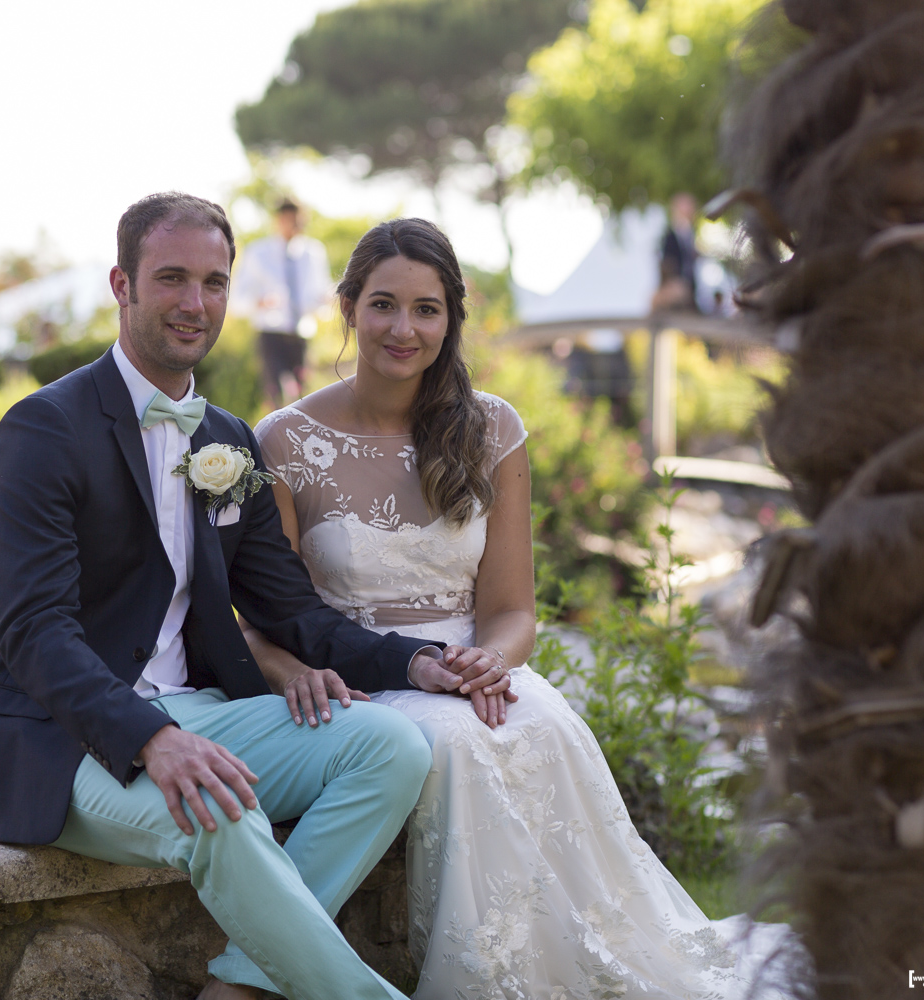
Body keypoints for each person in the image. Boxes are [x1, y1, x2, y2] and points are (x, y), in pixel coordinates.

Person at [0, 193, 504, 1000]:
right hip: (60, 742)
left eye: (213, 283)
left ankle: (239, 986)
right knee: (221, 807)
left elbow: (293, 612)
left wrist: (418, 662)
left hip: (199, 711)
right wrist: (151, 739)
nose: (194, 303)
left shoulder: (226, 440)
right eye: (171, 278)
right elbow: (35, 633)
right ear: (122, 284)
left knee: (392, 748)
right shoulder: (42, 430)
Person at [250, 218, 789, 1000]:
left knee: (548, 726)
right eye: (383, 304)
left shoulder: (491, 428)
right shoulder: (283, 440)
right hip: (365, 674)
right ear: (348, 308)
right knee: (458, 746)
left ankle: (582, 959)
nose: (404, 329)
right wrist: (292, 671)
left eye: (427, 309)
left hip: (477, 666)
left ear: (451, 319)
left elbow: (512, 610)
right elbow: (267, 614)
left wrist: (490, 661)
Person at [233, 198, 332, 408]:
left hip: (302, 334)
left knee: (303, 398)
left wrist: (326, 300)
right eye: (290, 221)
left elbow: (321, 294)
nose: (295, 226)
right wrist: (259, 302)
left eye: (299, 221)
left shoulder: (314, 253)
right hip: (271, 334)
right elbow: (237, 299)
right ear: (278, 220)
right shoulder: (257, 253)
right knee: (276, 395)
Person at [653, 191, 700, 313]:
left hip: (688, 285)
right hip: (676, 283)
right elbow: (668, 262)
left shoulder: (689, 234)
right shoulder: (671, 236)